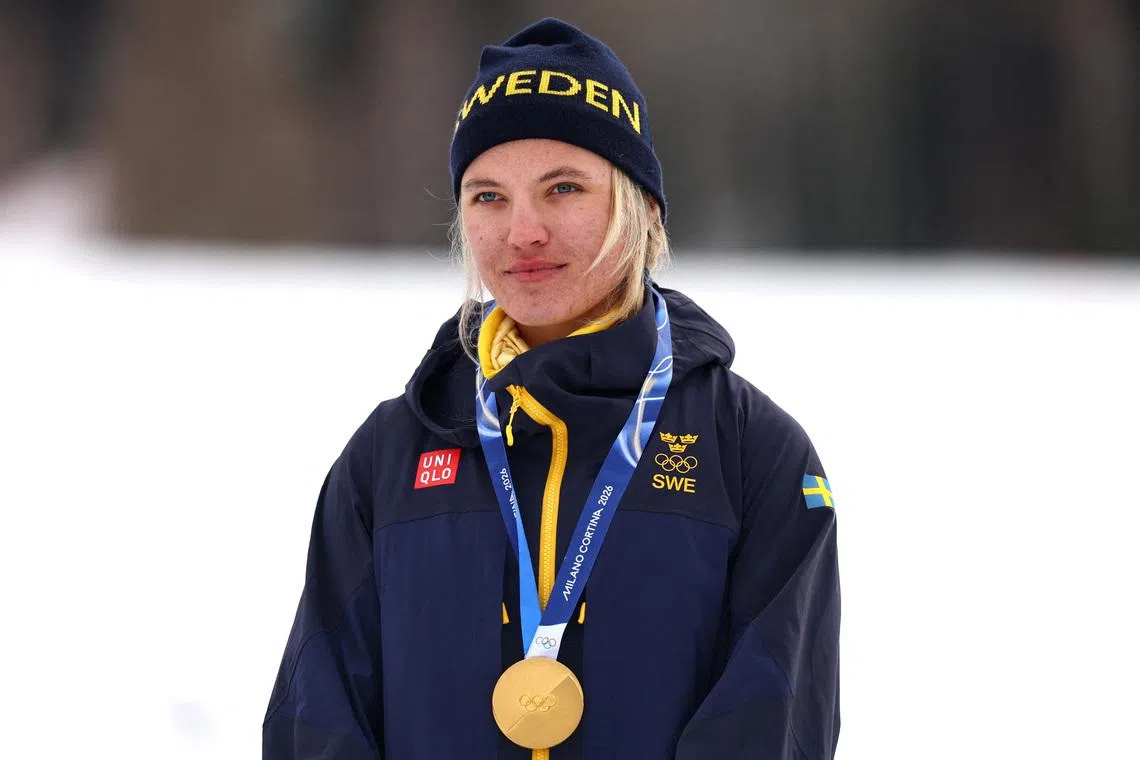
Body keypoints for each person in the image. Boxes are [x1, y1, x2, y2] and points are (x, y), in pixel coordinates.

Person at [262, 17, 840, 760]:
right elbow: (319, 723)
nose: (522, 231)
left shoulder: (753, 453)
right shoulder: (390, 456)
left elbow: (773, 726)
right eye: (487, 197)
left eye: (562, 188)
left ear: (642, 210)